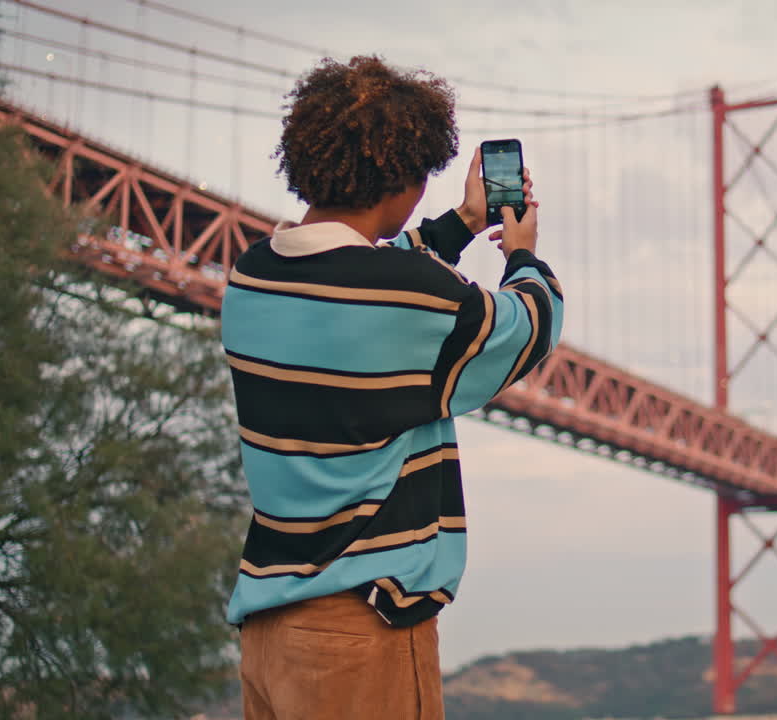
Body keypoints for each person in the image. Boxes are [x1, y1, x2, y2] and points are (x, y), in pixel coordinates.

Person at [220, 55, 564, 719]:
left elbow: (367, 277)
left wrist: (463, 222)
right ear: (405, 179)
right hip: (360, 631)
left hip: (269, 634)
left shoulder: (251, 277)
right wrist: (522, 252)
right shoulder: (412, 296)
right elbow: (532, 324)